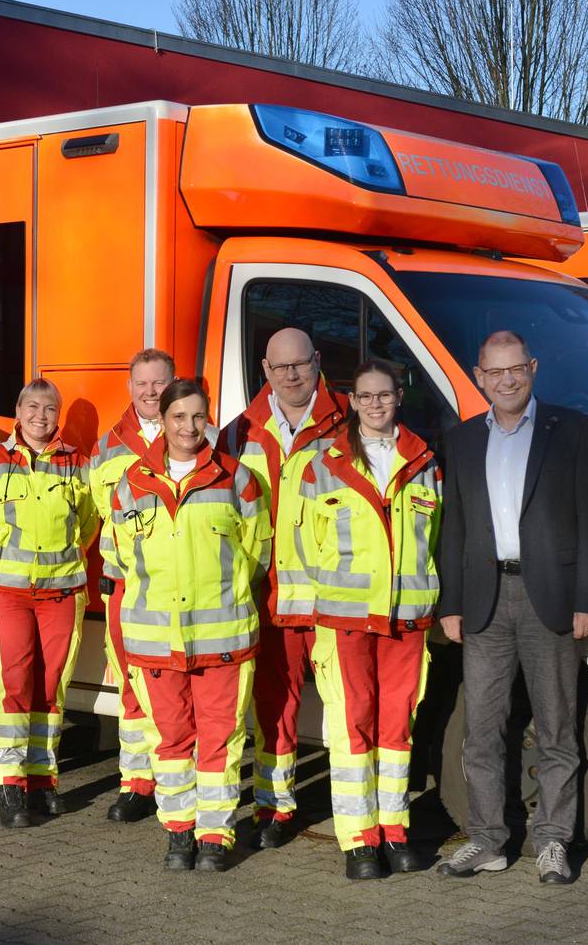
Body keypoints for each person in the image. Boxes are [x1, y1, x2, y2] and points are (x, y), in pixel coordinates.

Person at [437, 330, 588, 885]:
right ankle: (487, 840)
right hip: (484, 601)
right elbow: (454, 528)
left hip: (549, 599)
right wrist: (451, 605)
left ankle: (554, 841)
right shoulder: (460, 441)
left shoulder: (573, 431)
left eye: (516, 369)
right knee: (482, 729)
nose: (506, 380)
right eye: (495, 371)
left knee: (557, 729)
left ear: (531, 368)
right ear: (479, 376)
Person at [108, 379, 272, 872]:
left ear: (209, 420)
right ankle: (178, 832)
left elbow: (257, 553)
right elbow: (119, 559)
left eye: (198, 417)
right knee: (171, 741)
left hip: (222, 638)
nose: (188, 427)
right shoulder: (130, 484)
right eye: (178, 417)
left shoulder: (237, 480)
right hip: (156, 642)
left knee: (220, 739)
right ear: (162, 420)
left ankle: (216, 835)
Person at [297, 358, 441, 879]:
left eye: (385, 395)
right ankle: (358, 839)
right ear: (352, 402)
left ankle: (395, 830)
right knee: (352, 725)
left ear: (397, 397)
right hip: (346, 621)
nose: (376, 404)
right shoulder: (323, 465)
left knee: (397, 727)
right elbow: (304, 543)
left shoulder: (424, 461)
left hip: (405, 619)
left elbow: (437, 539)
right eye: (366, 396)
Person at [219, 327, 346, 849]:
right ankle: (275, 807)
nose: (291, 375)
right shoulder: (237, 433)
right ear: (265, 371)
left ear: (316, 361)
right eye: (280, 367)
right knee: (273, 710)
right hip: (269, 595)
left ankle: (359, 813)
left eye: (300, 364)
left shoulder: (350, 424)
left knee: (349, 708)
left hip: (336, 597)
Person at [0, 378, 97, 828]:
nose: (41, 415)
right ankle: (10, 786)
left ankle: (41, 777)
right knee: (12, 683)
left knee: (51, 685)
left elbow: (89, 522)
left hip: (61, 592)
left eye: (50, 408)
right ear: (17, 412)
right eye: (33, 407)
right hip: (9, 594)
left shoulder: (77, 464)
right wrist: (3, 562)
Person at [90, 348, 175, 824]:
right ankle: (136, 782)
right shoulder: (108, 447)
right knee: (131, 685)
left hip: (180, 586)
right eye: (141, 384)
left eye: (158, 383)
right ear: (129, 387)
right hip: (127, 584)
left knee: (178, 686)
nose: (150, 392)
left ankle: (175, 779)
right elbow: (101, 515)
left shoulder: (194, 434)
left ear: (172, 382)